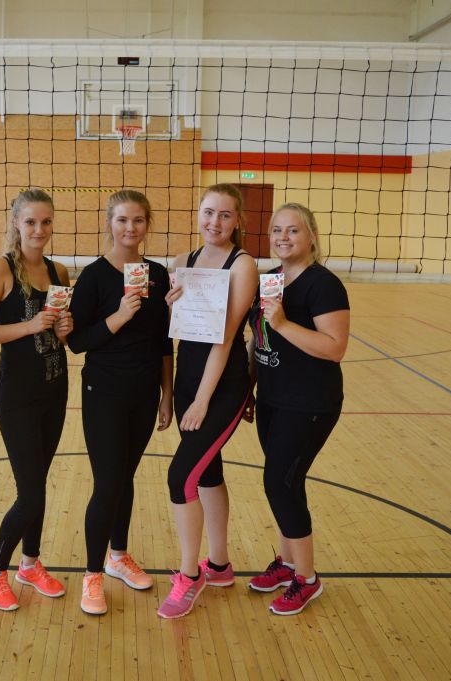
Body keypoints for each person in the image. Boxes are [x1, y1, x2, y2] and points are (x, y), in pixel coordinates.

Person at [67, 190, 173, 615]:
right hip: (104, 393)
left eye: (138, 220)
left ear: (148, 225)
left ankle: (118, 556)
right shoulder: (93, 277)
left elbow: (164, 341)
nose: (130, 228)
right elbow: (77, 342)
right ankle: (92, 575)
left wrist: (167, 393)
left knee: (125, 478)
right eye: (123, 220)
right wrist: (120, 315)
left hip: (144, 393)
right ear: (110, 223)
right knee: (108, 483)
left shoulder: (158, 275)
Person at [0, 189, 73, 611]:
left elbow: (63, 333)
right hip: (17, 395)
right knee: (29, 493)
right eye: (30, 222)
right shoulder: (1, 270)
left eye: (46, 222)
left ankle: (30, 564)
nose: (39, 230)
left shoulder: (59, 270)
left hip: (56, 387)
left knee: (38, 484)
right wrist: (29, 327)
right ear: (16, 223)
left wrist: (64, 327)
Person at [158, 184, 258, 619]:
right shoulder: (184, 261)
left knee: (181, 476)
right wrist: (171, 305)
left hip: (223, 386)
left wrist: (201, 401)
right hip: (188, 378)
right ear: (198, 214)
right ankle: (218, 566)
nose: (214, 222)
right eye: (208, 212)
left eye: (225, 214)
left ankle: (189, 575)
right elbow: (180, 328)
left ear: (238, 220)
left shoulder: (243, 264)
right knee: (207, 472)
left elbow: (227, 337)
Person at [247, 202, 349, 615]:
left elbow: (335, 348)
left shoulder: (324, 284)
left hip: (310, 403)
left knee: (279, 483)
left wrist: (285, 324)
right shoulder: (269, 279)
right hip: (272, 399)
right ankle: (288, 564)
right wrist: (249, 387)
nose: (283, 237)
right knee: (285, 482)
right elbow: (258, 337)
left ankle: (307, 579)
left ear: (311, 237)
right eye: (277, 230)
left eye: (293, 230)